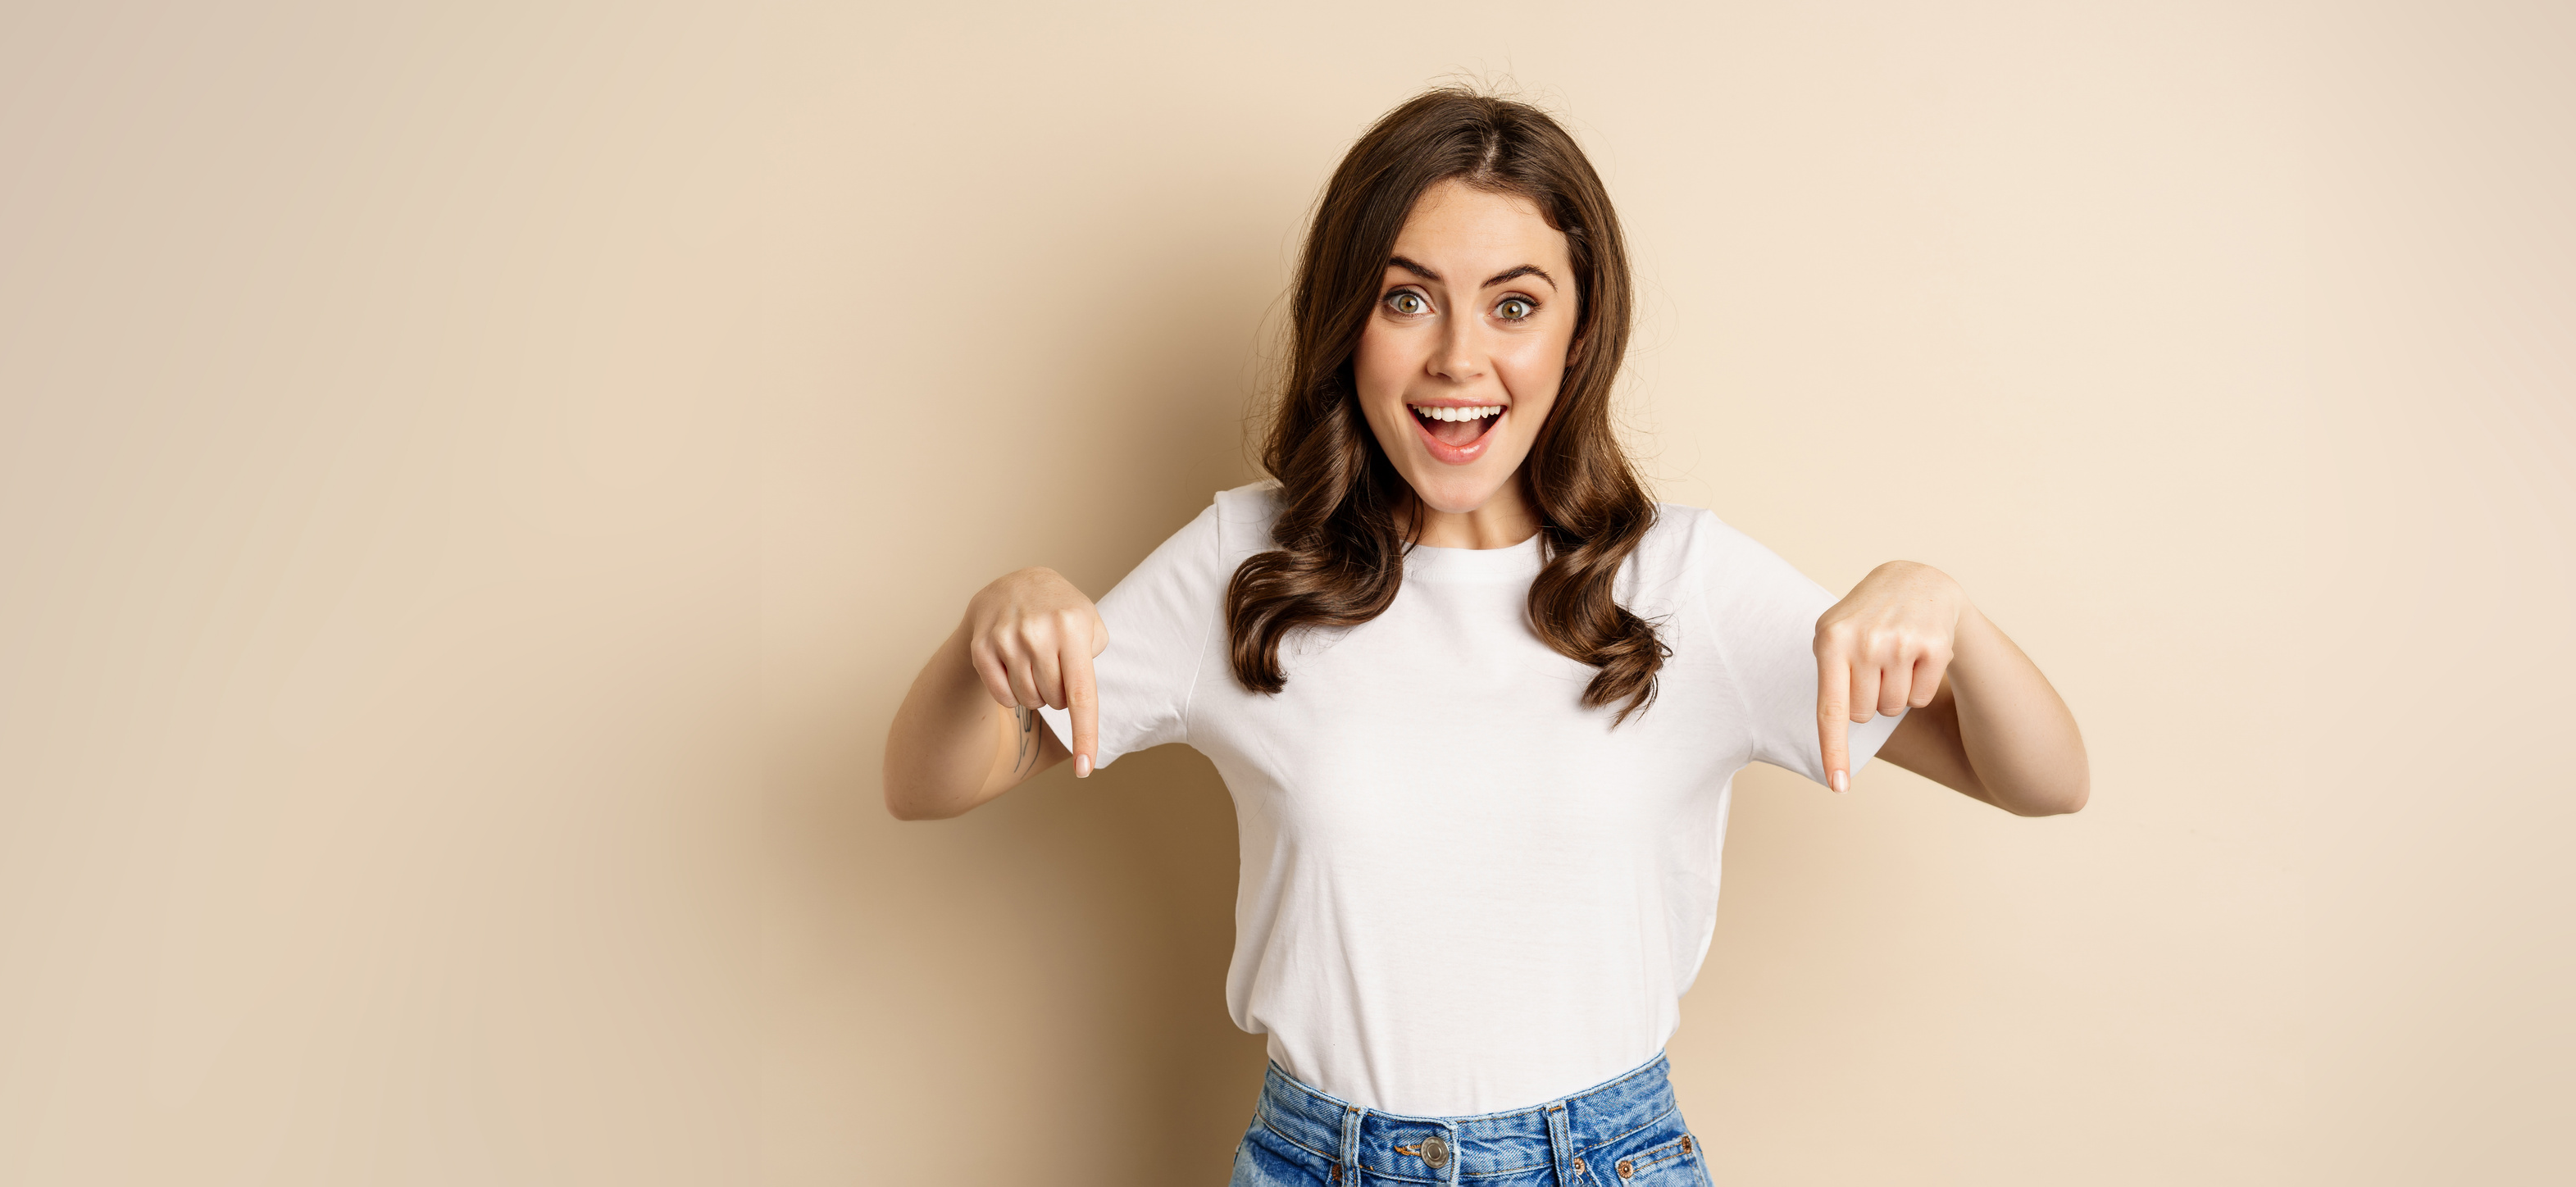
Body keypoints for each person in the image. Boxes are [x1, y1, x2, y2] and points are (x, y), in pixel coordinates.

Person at [882, 88, 2087, 1186]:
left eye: (1515, 304)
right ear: (1347, 321)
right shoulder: (1246, 569)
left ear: (1578, 334)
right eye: (1408, 299)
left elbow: (2042, 778)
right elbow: (926, 781)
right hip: (1318, 1163)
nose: (1459, 358)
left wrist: (1951, 611)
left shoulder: (1681, 581)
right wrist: (991, 623)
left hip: (1606, 1159)